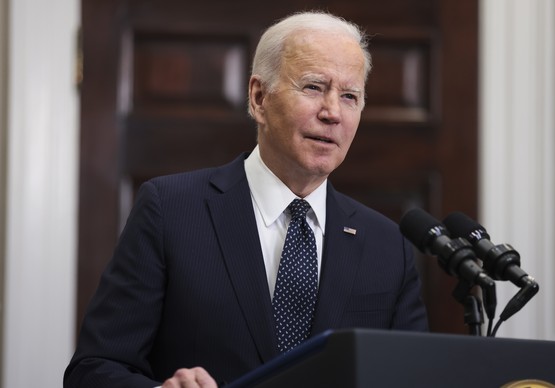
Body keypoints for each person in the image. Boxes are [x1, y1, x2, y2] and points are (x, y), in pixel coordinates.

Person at [64, 10, 428, 388]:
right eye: (313, 87)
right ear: (258, 98)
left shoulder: (388, 246)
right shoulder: (170, 211)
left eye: (350, 96)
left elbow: (414, 378)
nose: (332, 112)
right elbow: (93, 369)